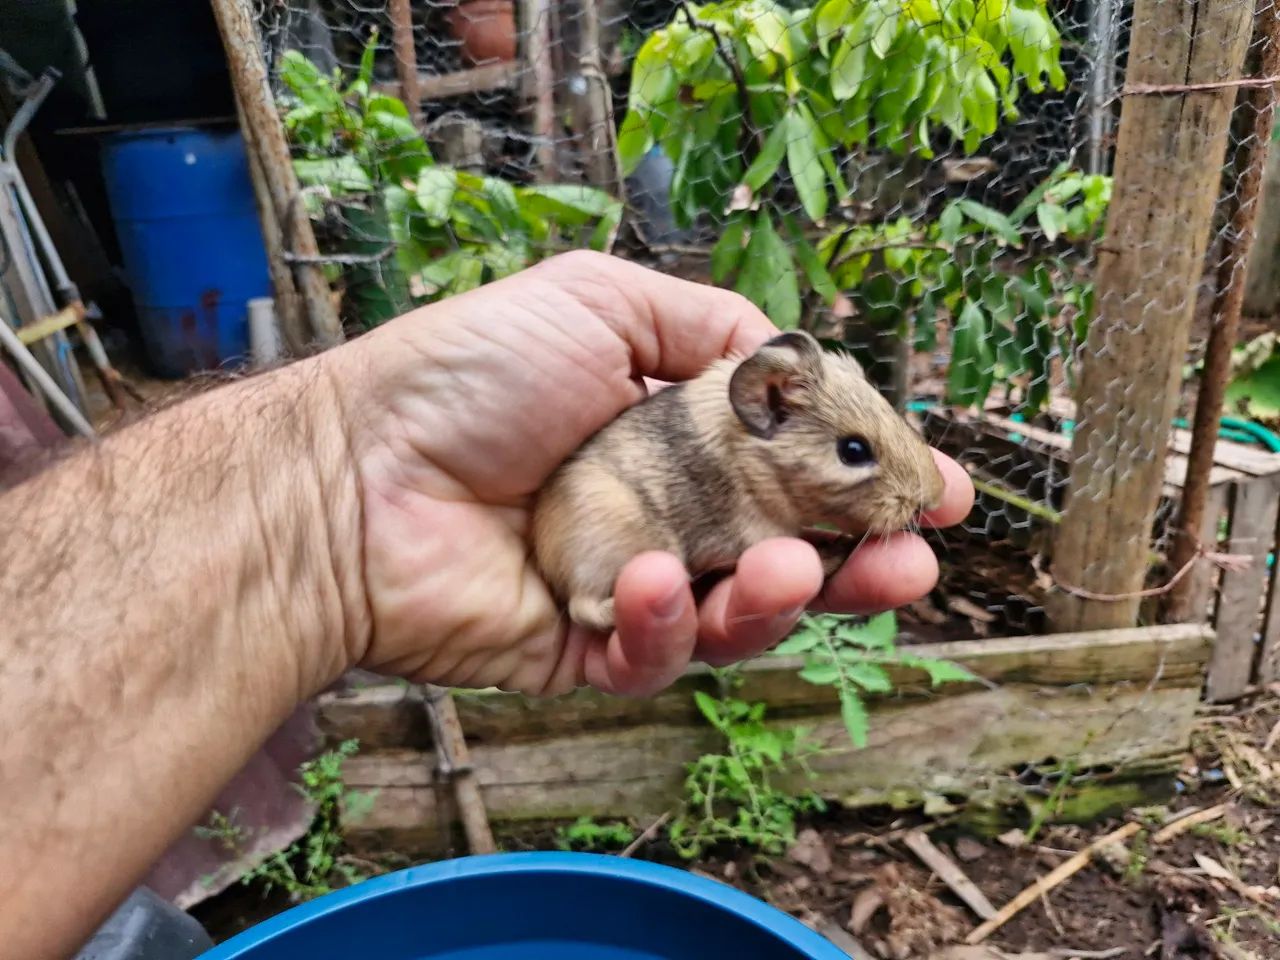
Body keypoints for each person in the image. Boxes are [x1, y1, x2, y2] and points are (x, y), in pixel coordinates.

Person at [0, 252, 973, 959]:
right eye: (853, 453)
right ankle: (599, 591)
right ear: (766, 406)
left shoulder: (767, 453)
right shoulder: (738, 451)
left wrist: (324, 512)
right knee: (643, 557)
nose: (882, 486)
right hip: (612, 524)